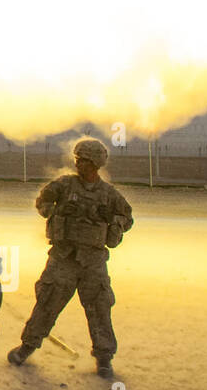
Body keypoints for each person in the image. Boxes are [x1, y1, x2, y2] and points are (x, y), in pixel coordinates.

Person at [8, 137, 133, 377]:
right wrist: (57, 211)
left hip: (93, 262)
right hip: (64, 258)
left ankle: (104, 358)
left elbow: (127, 219)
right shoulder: (64, 185)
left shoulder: (109, 195)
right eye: (77, 160)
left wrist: (112, 219)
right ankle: (27, 347)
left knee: (99, 308)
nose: (79, 165)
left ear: (96, 164)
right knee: (47, 303)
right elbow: (42, 202)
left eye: (84, 161)